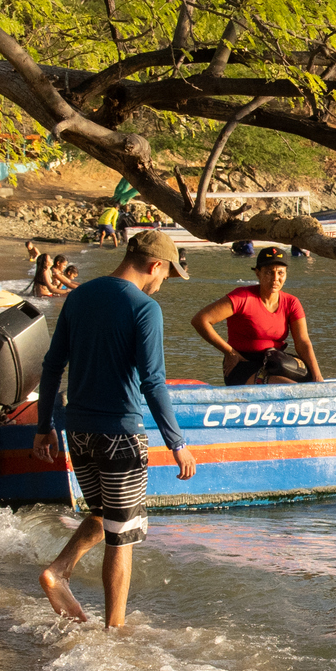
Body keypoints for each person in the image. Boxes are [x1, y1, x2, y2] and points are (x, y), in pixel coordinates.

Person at [32, 230, 198, 627]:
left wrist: (44, 426)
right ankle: (116, 631)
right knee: (123, 534)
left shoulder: (79, 297)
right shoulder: (144, 308)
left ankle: (59, 571)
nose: (161, 285)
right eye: (165, 276)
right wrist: (177, 442)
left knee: (105, 513)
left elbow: (52, 366)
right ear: (154, 265)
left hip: (79, 430)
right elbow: (153, 382)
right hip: (120, 432)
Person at [192, 245, 324, 385]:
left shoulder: (292, 302)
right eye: (268, 272)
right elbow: (200, 320)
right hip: (242, 364)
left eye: (280, 273)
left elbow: (303, 342)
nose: (275, 278)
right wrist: (229, 352)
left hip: (274, 362)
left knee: (309, 381)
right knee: (288, 387)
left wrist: (317, 377)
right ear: (257, 273)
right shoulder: (242, 297)